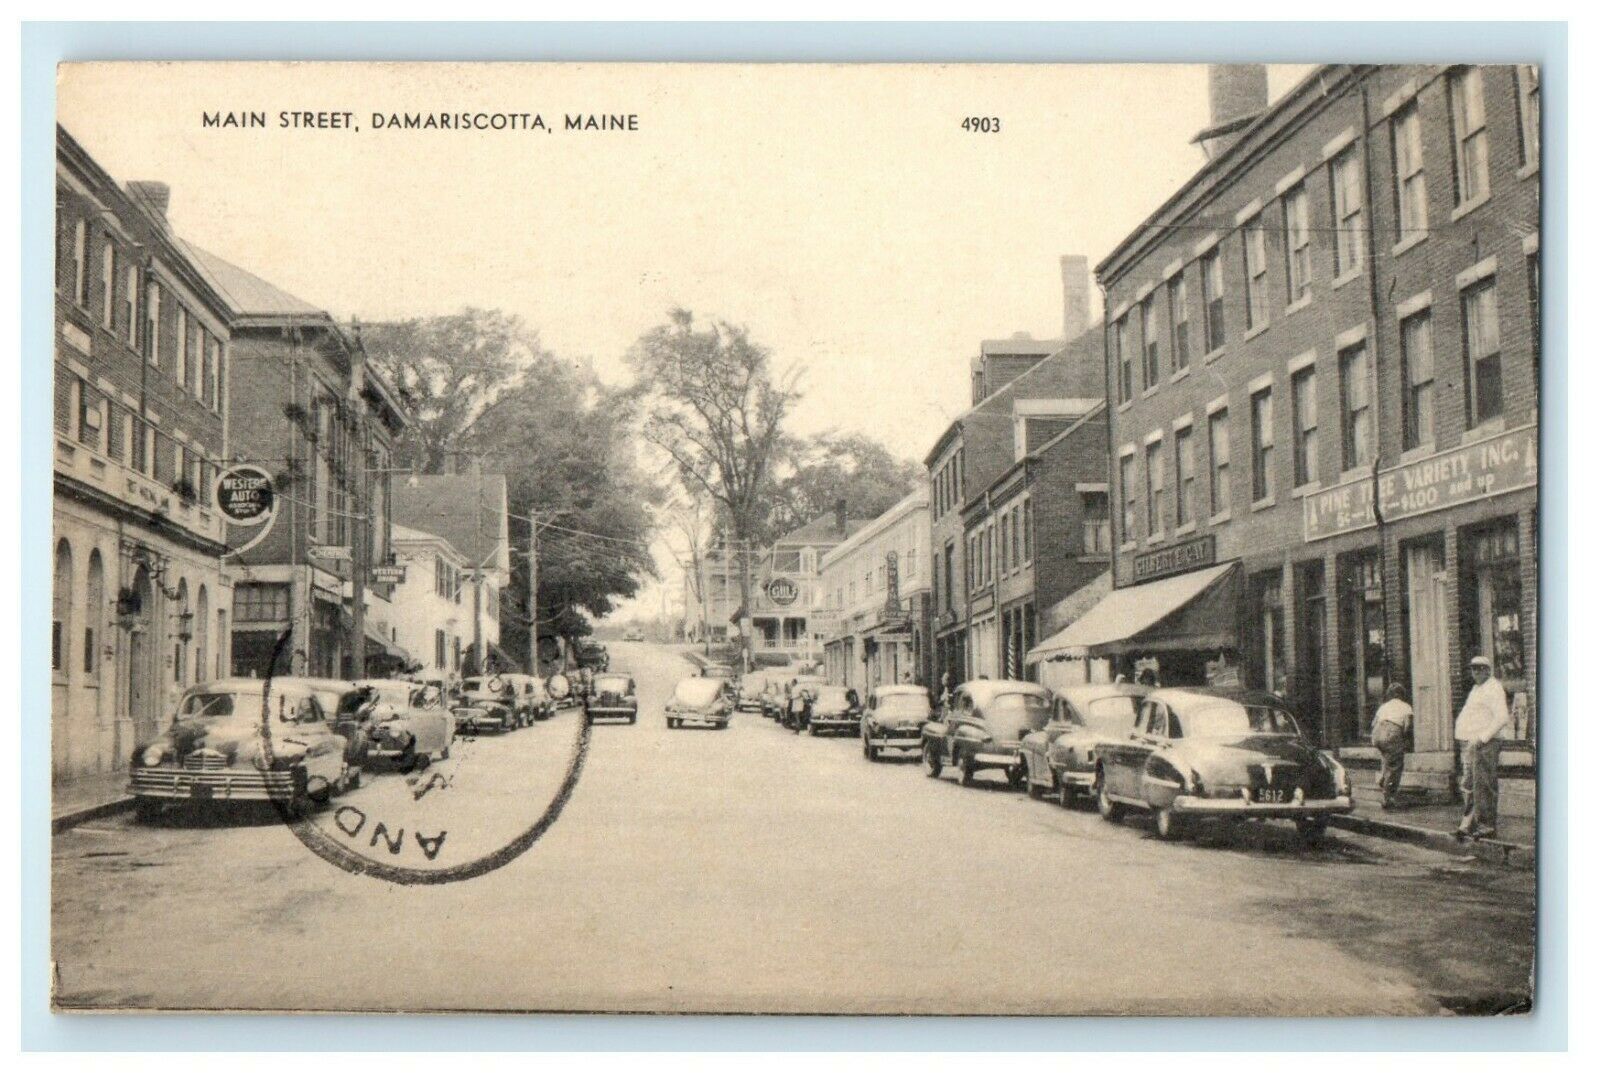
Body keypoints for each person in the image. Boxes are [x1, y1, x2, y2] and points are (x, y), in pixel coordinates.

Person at [1454, 655, 1511, 839]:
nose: (1476, 672)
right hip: (1470, 743)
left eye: (1481, 668)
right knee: (1469, 784)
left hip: (1485, 743)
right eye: (1473, 668)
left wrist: (1483, 737)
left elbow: (1502, 717)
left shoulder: (1494, 687)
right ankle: (1468, 824)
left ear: (1488, 670)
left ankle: (1486, 826)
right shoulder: (1477, 689)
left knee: (1484, 784)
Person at [1370, 683, 1413, 809]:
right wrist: (1403, 738)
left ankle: (1384, 778)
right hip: (1392, 732)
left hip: (1377, 733)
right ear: (1402, 694)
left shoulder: (1384, 706)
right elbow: (1407, 726)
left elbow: (1373, 723)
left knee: (1386, 758)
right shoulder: (1406, 706)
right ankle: (1388, 797)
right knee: (1395, 766)